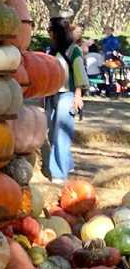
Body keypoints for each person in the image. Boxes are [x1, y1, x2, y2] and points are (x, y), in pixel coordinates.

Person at [43, 16, 87, 184]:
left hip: (67, 95)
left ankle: (58, 174)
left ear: (58, 32)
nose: (49, 33)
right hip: (51, 95)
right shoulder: (50, 50)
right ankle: (67, 164)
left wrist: (78, 95)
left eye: (50, 30)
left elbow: (80, 74)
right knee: (52, 133)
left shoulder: (74, 50)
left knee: (61, 133)